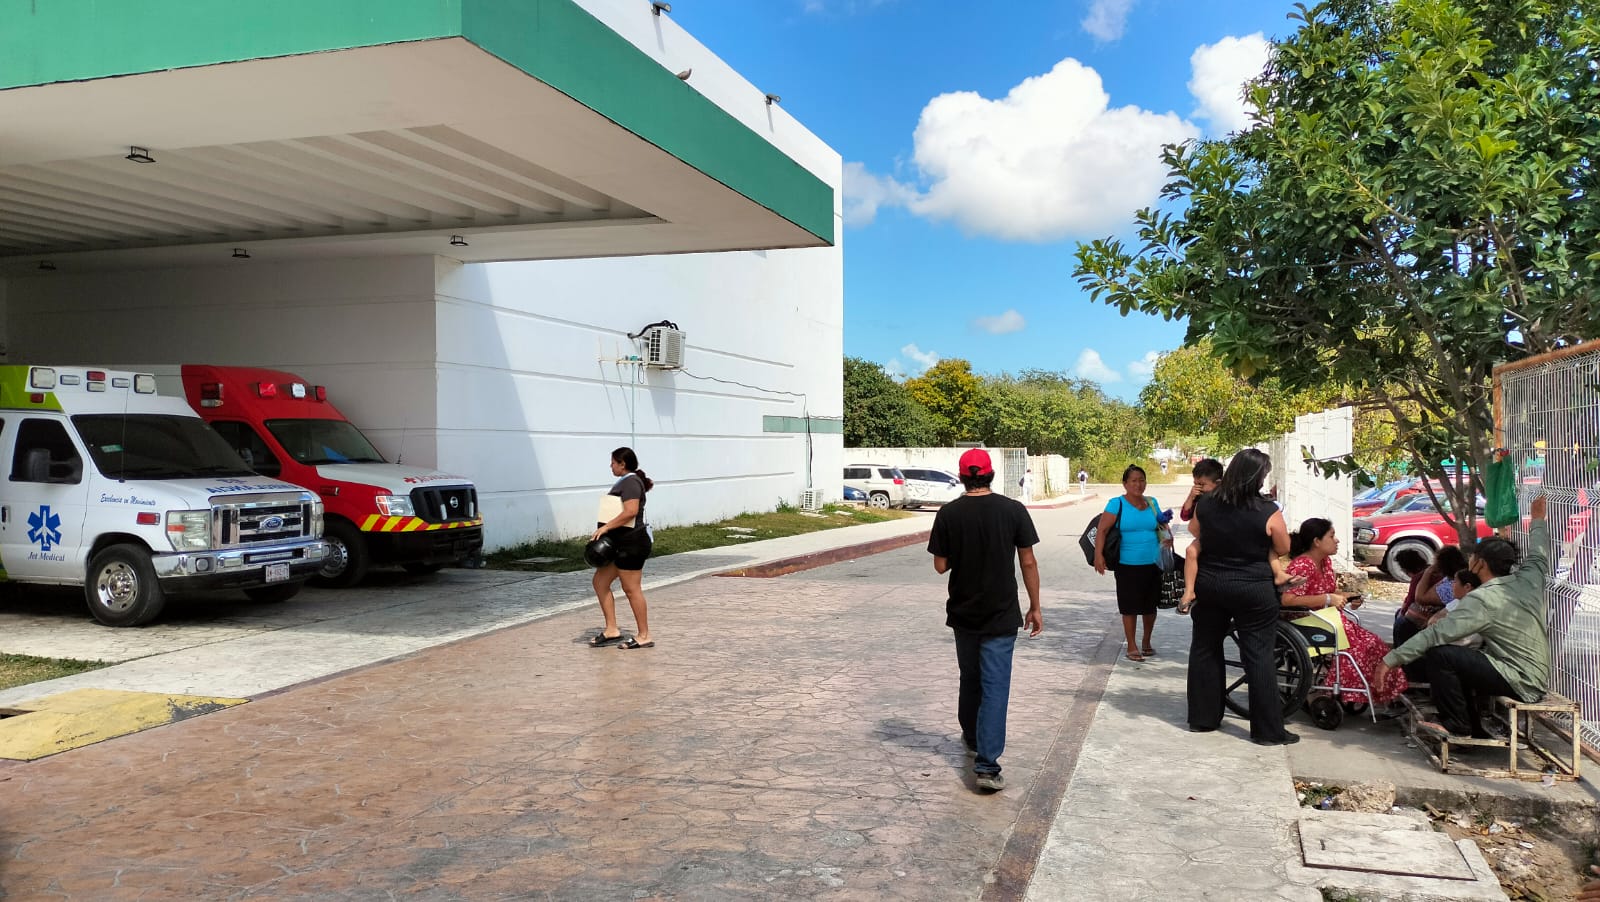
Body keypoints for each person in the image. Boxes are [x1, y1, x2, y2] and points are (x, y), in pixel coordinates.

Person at [1374, 495, 1553, 739]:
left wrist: (1390, 660)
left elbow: (1436, 634)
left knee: (1441, 655)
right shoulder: (1529, 580)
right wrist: (1538, 520)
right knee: (1460, 657)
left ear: (1479, 564)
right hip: (1533, 674)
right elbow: (1538, 554)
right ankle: (1474, 727)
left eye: (1472, 557)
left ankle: (1457, 725)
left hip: (1519, 679)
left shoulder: (1483, 599)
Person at [928, 448, 1042, 793]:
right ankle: (987, 767)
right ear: (991, 474)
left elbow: (940, 566)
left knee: (971, 677)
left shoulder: (948, 513)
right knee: (995, 686)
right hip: (1001, 613)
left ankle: (973, 736)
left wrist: (963, 551)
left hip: (963, 613)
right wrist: (1035, 606)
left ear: (963, 477)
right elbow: (1028, 561)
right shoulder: (1013, 510)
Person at [1185, 449, 1299, 745]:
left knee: (1205, 648)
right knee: (1258, 656)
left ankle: (1202, 719)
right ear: (1258, 477)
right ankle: (1267, 732)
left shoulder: (1207, 502)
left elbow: (1195, 530)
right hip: (1253, 589)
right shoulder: (1267, 509)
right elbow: (1283, 546)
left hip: (1212, 584)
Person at [1279, 518, 1408, 706]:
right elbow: (1287, 600)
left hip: (1326, 620)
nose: (1337, 540)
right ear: (1317, 541)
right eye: (1332, 536)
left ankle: (1377, 692)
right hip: (1304, 622)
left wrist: (1349, 596)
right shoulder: (1303, 565)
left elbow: (1330, 591)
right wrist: (1327, 599)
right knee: (1360, 647)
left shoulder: (1325, 562)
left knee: (1375, 644)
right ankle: (1335, 691)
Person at [1094, 465, 1168, 661]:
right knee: (1129, 606)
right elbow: (1102, 530)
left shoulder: (1152, 502)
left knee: (1150, 606)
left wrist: (1167, 536)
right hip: (1127, 564)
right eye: (1134, 481)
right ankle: (1132, 645)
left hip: (1153, 562)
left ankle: (1146, 641)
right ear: (1125, 484)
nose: (1138, 484)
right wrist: (1098, 555)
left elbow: (1161, 524)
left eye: (1142, 480)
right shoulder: (1116, 504)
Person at [588, 447, 656, 649]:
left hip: (632, 544)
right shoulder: (626, 481)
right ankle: (612, 629)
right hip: (619, 544)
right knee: (600, 582)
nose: (610, 466)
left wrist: (606, 527)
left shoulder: (631, 482)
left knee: (631, 589)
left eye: (613, 462)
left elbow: (630, 511)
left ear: (622, 464)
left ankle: (644, 635)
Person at [1393, 545, 1467, 680]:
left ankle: (1411, 675)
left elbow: (1420, 598)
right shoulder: (1449, 579)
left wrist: (1428, 572)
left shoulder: (1451, 583)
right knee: (1403, 622)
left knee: (1403, 625)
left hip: (1444, 626)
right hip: (1440, 619)